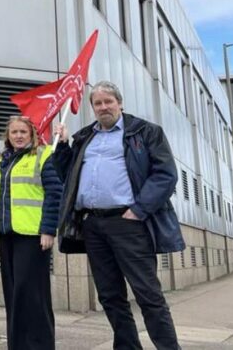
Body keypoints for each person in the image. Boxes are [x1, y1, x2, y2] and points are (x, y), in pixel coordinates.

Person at [52, 81, 184, 350]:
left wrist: (138, 210)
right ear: (92, 108)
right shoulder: (84, 137)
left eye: (108, 102)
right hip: (93, 225)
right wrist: (63, 147)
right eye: (97, 104)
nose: (103, 108)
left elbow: (166, 175)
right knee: (110, 296)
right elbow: (69, 177)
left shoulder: (146, 132)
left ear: (120, 103)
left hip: (129, 224)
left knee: (147, 294)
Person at [0, 116, 62, 350]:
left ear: (31, 134)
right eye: (14, 132)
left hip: (33, 236)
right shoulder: (0, 161)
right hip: (6, 235)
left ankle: (40, 345)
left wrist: (48, 230)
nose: (18, 136)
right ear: (8, 135)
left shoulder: (43, 156)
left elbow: (55, 194)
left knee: (33, 296)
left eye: (22, 132)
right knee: (14, 296)